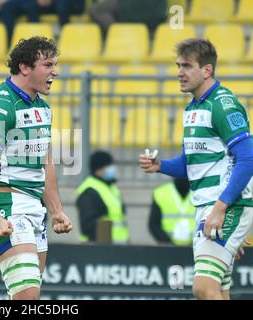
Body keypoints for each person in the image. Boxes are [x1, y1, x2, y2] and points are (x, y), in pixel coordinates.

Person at [139, 39, 253, 300]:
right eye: (178, 65)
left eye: (187, 66)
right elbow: (192, 164)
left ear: (207, 70)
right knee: (219, 290)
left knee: (202, 287)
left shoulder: (222, 105)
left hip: (226, 204)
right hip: (207, 205)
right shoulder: (193, 108)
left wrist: (221, 209)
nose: (179, 72)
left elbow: (248, 157)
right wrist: (161, 166)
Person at [0, 36, 73, 300]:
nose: (55, 72)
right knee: (27, 295)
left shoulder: (42, 107)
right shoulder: (0, 106)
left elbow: (44, 161)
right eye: (48, 65)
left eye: (55, 64)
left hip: (34, 207)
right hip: (7, 202)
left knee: (27, 296)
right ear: (25, 67)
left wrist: (56, 210)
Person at [75, 150, 129, 244]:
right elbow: (88, 226)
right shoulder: (89, 190)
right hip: (98, 248)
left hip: (117, 247)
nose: (112, 169)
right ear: (98, 169)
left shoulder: (111, 188)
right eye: (108, 166)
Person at [149, 178, 194, 245]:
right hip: (168, 248)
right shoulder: (161, 193)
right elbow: (154, 224)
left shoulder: (200, 192)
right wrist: (169, 244)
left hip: (195, 248)